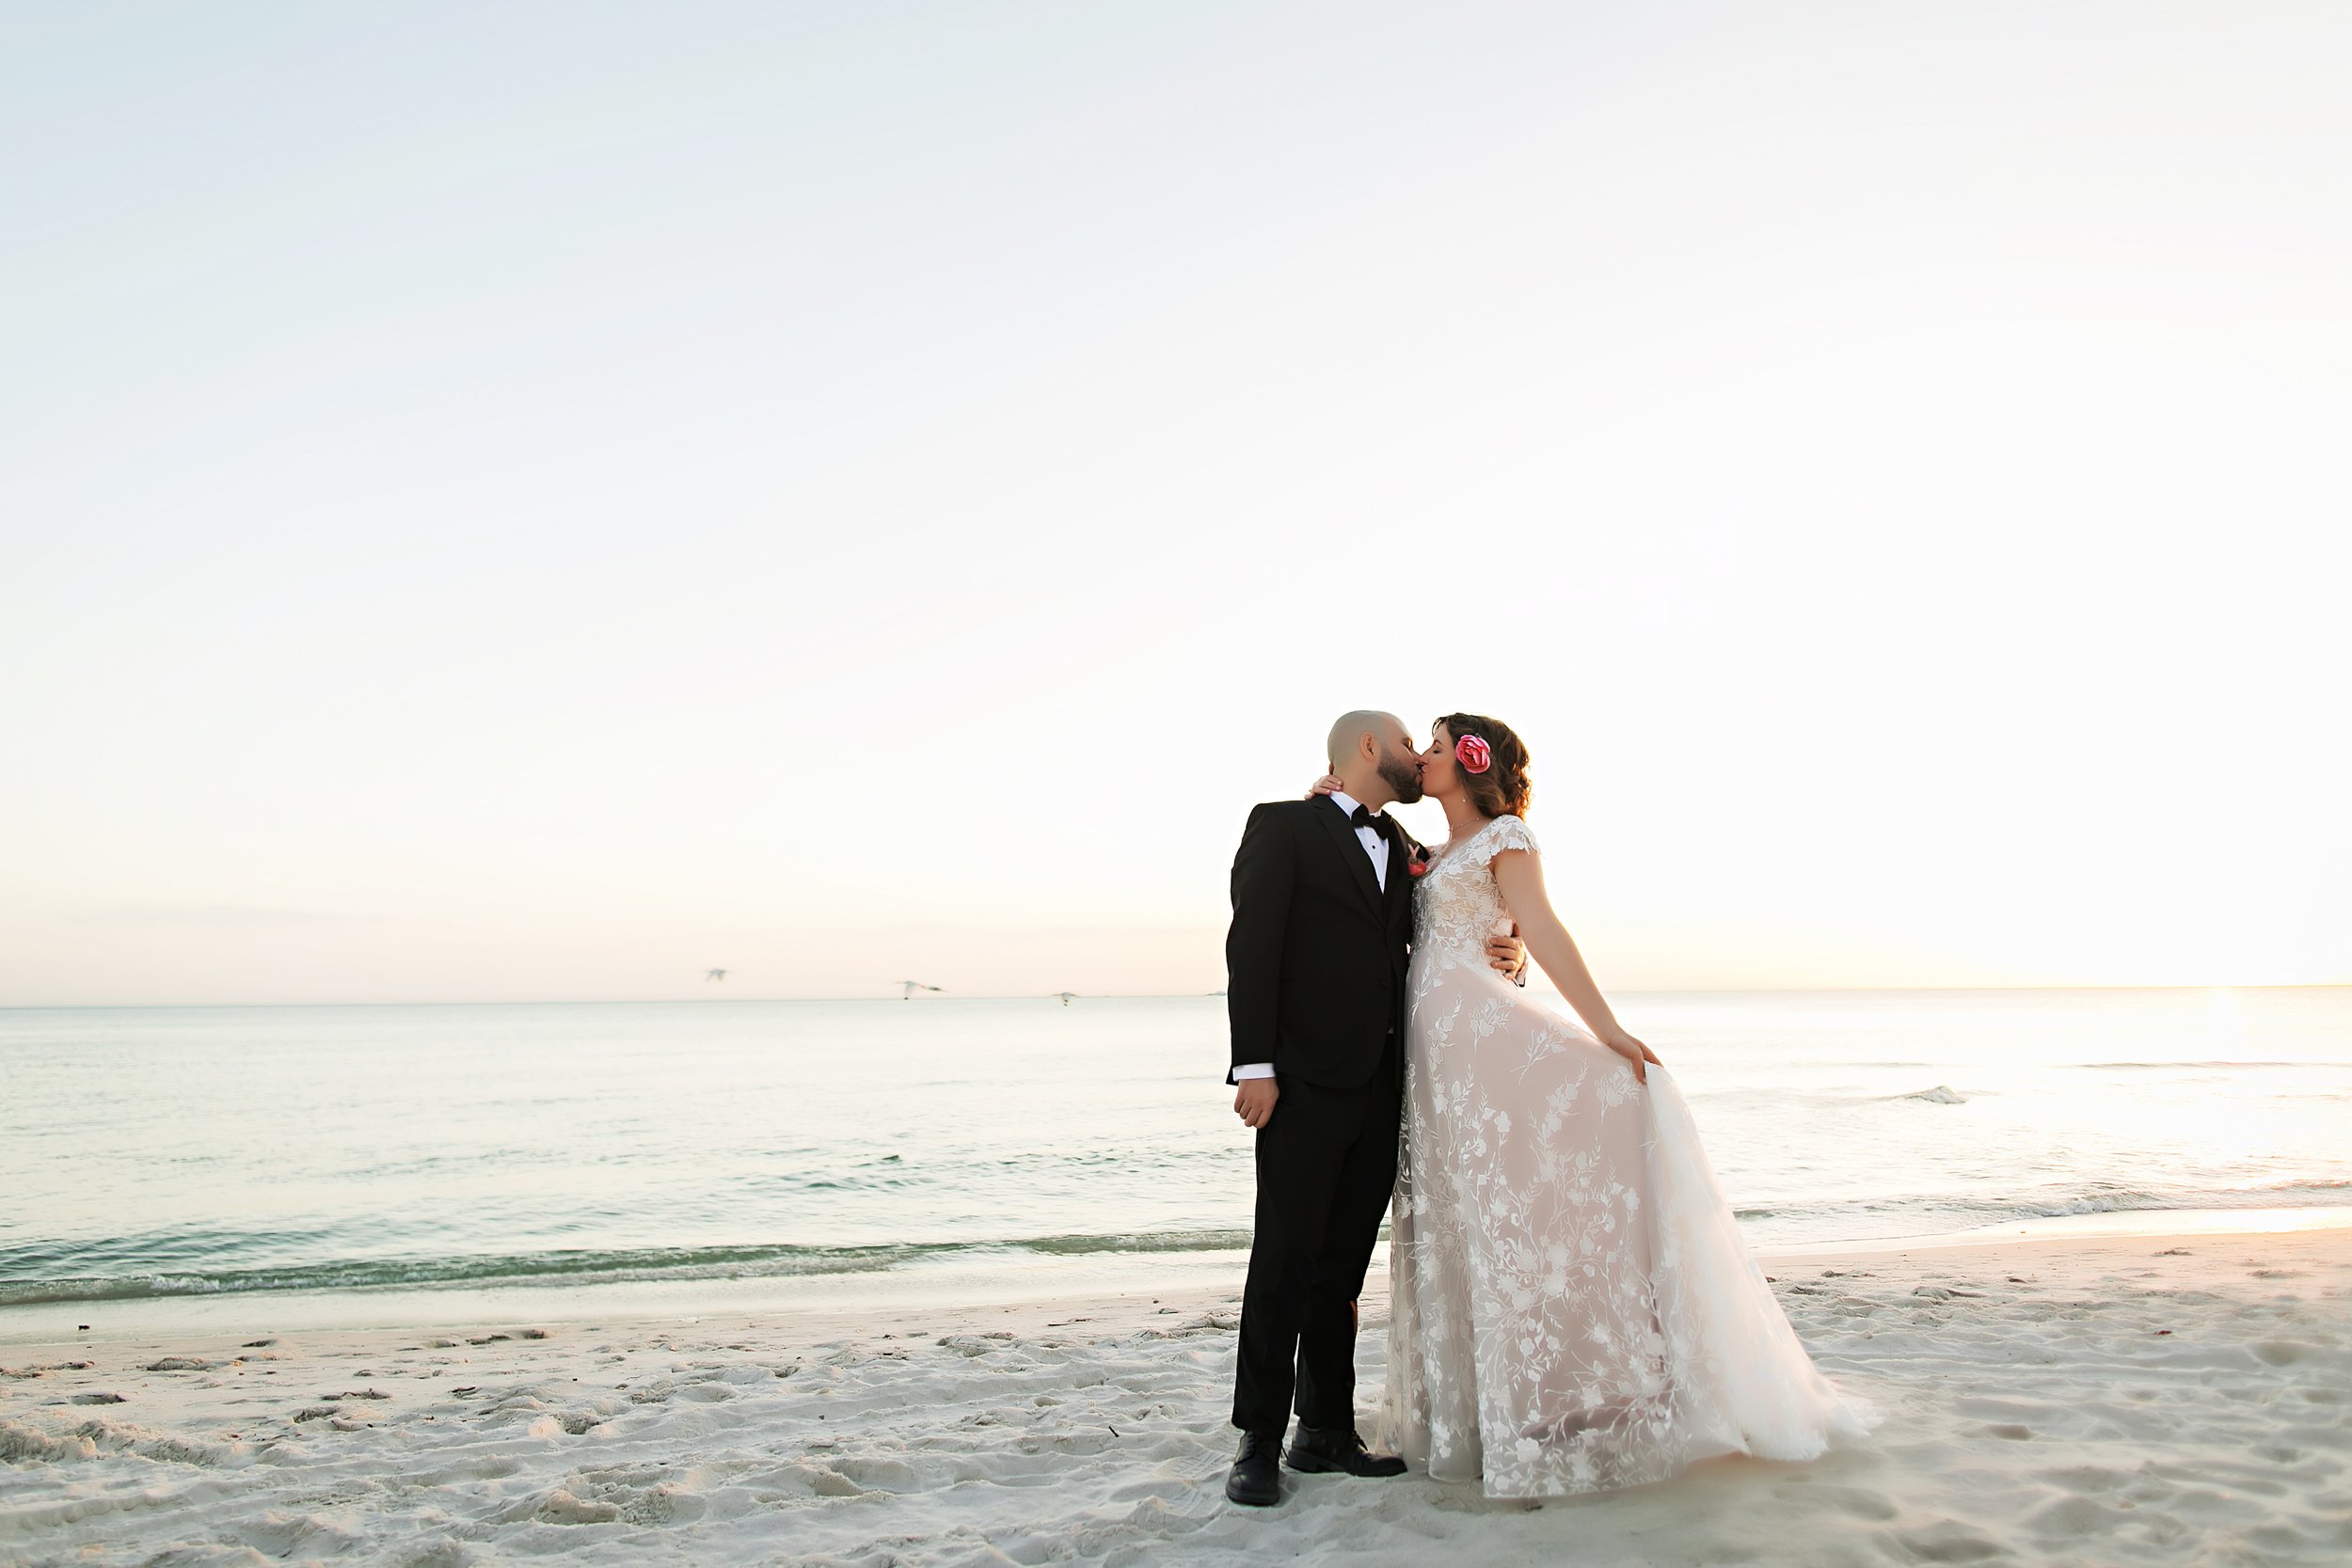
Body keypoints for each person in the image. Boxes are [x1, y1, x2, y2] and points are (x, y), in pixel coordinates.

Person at [1376, 713, 1876, 1498]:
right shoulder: (1428, 854)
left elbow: (1538, 926)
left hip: (1483, 1038)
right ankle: (1477, 1413)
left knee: (1519, 1197)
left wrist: (1604, 1028)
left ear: (1473, 766)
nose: (1423, 758)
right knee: (1467, 1211)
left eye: (1437, 747)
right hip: (1441, 1055)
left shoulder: (1507, 837)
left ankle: (1585, 1391)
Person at [1220, 710, 1527, 1509]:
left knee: (1342, 1269)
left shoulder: (1405, 849)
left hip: (1385, 1089)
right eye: (1404, 744)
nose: (1414, 759)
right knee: (1282, 1259)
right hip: (1301, 1084)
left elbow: (1477, 884)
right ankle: (1257, 1438)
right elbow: (1251, 946)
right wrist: (1254, 1063)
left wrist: (1515, 945)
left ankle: (1322, 1429)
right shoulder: (1283, 826)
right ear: (1367, 747)